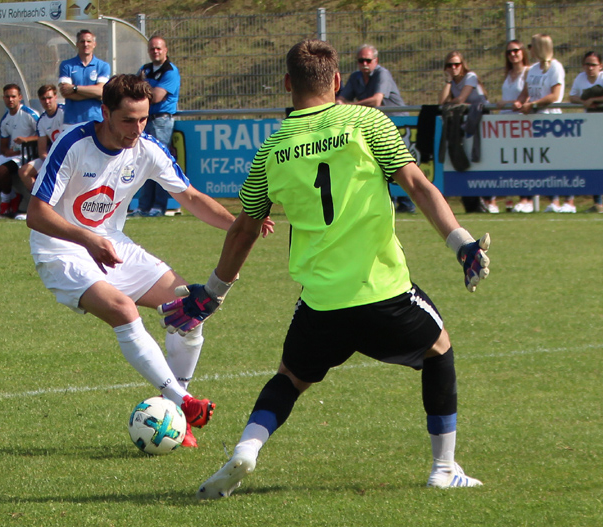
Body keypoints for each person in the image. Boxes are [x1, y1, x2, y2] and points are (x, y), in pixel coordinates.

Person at [156, 40, 491, 499]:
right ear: (337, 82)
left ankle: (247, 448)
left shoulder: (272, 149)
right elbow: (417, 183)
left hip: (320, 301)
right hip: (383, 292)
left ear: (289, 84)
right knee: (439, 348)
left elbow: (243, 231)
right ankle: (444, 467)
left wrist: (213, 293)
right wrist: (462, 243)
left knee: (290, 379)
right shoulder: (365, 122)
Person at [25, 74, 274, 448]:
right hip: (59, 247)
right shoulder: (73, 144)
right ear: (105, 113)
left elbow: (189, 197)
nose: (136, 129)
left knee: (189, 311)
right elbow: (36, 214)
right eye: (128, 120)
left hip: (111, 243)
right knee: (124, 309)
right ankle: (183, 402)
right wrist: (89, 239)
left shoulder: (147, 148)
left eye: (143, 119)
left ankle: (179, 412)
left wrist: (242, 224)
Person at [335, 44, 414, 213]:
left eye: (368, 60)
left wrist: (351, 106)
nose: (364, 64)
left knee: (398, 164)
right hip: (374, 124)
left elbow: (377, 100)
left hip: (396, 123)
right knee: (378, 165)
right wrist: (340, 104)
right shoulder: (356, 77)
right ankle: (389, 201)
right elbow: (341, 98)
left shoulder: (382, 73)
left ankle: (408, 203)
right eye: (361, 60)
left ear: (375, 61)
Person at [514, 35, 570, 213]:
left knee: (555, 161)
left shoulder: (555, 67)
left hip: (551, 120)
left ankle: (562, 201)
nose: (528, 49)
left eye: (531, 46)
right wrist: (520, 102)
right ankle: (543, 200)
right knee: (539, 161)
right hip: (534, 121)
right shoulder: (532, 69)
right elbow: (525, 92)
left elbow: (555, 95)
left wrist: (534, 104)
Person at [438, 51, 496, 213]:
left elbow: (460, 100)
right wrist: (448, 82)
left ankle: (491, 200)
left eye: (457, 64)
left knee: (485, 158)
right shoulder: (452, 81)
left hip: (483, 120)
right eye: (450, 65)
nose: (453, 68)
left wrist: (450, 103)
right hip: (466, 123)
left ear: (463, 65)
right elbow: (442, 102)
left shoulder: (470, 77)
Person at [130, 35, 181, 218]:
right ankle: (143, 206)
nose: (155, 51)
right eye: (152, 49)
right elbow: (133, 91)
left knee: (158, 162)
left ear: (165, 50)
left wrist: (142, 87)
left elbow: (157, 97)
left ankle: (158, 206)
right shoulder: (145, 69)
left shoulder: (170, 71)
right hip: (144, 119)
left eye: (159, 48)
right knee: (144, 162)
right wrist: (145, 89)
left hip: (161, 121)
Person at [0, 83, 40, 217]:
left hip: (27, 155)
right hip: (12, 155)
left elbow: (43, 135)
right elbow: (4, 146)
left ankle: (5, 204)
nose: (10, 100)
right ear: (3, 98)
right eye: (7, 97)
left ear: (20, 97)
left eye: (13, 96)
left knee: (3, 170)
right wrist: (7, 152)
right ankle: (12, 195)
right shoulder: (5, 119)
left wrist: (26, 140)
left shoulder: (29, 114)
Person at [569, 51, 603, 214]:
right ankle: (598, 203)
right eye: (587, 64)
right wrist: (584, 101)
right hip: (591, 124)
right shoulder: (580, 78)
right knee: (594, 161)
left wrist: (595, 100)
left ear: (601, 66)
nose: (590, 68)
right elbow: (572, 97)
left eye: (593, 64)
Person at [496, 40, 534, 213]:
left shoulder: (528, 72)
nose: (513, 54)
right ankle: (510, 200)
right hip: (506, 123)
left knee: (523, 160)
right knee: (508, 161)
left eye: (516, 51)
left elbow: (525, 98)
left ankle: (526, 199)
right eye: (509, 52)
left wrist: (506, 103)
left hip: (521, 122)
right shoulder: (508, 73)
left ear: (522, 52)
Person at [18, 85, 65, 192]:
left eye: (49, 98)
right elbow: (42, 151)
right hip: (52, 157)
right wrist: (50, 160)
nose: (47, 101)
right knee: (24, 172)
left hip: (68, 156)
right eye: (43, 99)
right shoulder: (42, 121)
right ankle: (40, 198)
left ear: (55, 97)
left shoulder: (65, 112)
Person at [58, 29, 110, 127]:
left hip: (96, 120)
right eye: (82, 41)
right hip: (72, 121)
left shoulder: (103, 66)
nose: (85, 44)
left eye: (89, 41)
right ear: (77, 44)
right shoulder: (66, 65)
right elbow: (65, 92)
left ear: (94, 44)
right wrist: (94, 93)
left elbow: (101, 91)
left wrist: (75, 88)